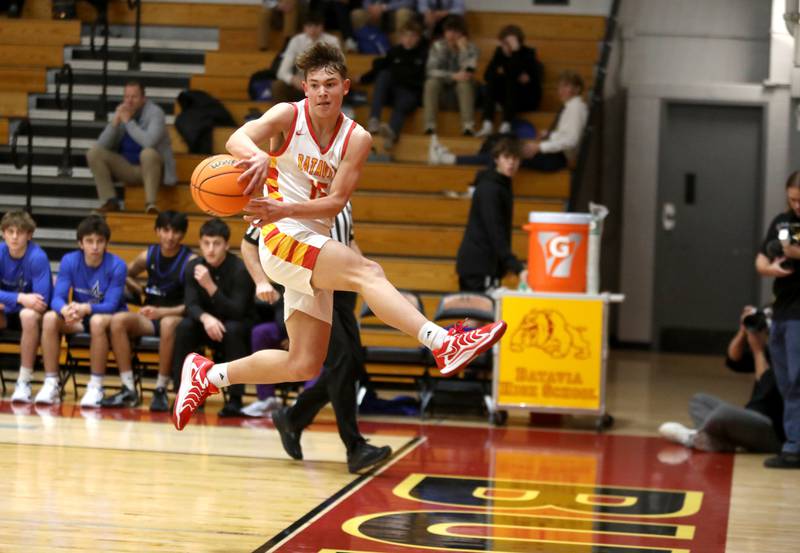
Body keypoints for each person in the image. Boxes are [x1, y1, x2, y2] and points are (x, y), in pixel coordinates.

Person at [172, 42, 507, 431]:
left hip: (309, 236)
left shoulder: (356, 138)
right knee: (369, 272)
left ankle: (208, 375)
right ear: (304, 87)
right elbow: (237, 139)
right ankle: (443, 343)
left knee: (303, 363)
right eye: (314, 85)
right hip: (280, 238)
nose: (322, 93)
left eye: (330, 84)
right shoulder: (287, 115)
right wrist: (257, 155)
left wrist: (287, 209)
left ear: (345, 87)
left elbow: (335, 203)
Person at [253, 203, 393, 473]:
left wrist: (369, 278)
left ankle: (292, 418)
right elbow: (249, 243)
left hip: (344, 289)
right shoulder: (294, 188)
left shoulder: (343, 199)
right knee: (340, 361)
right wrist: (261, 280)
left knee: (351, 364)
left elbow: (349, 241)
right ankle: (354, 447)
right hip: (315, 285)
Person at [659, 305, 784, 453]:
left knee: (724, 413)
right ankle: (716, 441)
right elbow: (734, 361)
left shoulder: (790, 356)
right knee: (699, 401)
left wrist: (758, 351)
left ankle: (693, 437)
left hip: (773, 432)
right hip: (751, 420)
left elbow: (767, 386)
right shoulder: (770, 351)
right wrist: (743, 331)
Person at [101, 211, 194, 411]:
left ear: (183, 234)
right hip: (150, 318)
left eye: (176, 232)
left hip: (176, 316)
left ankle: (160, 388)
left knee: (167, 324)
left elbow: (192, 305)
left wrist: (162, 313)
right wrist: (140, 290)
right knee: (118, 321)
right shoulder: (148, 255)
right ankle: (128, 387)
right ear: (157, 231)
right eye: (165, 230)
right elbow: (123, 273)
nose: (170, 236)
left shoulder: (190, 261)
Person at [34, 215, 128, 406]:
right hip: (80, 316)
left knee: (96, 321)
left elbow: (111, 305)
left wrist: (86, 308)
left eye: (100, 241)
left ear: (106, 243)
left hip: (109, 318)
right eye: (89, 241)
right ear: (80, 243)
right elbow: (57, 297)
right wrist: (65, 309)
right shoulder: (70, 261)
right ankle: (52, 383)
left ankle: (96, 386)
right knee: (50, 318)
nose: (95, 246)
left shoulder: (117, 265)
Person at [171, 218, 256, 417]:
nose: (210, 249)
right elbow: (191, 304)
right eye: (206, 243)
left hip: (236, 324)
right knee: (184, 327)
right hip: (207, 324)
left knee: (234, 329)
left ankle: (235, 399)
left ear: (226, 245)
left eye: (216, 244)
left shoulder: (241, 269)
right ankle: (184, 394)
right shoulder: (193, 267)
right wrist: (206, 318)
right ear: (200, 244)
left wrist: (210, 287)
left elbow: (237, 311)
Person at [430, 70, 588, 172]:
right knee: (502, 143)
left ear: (577, 89)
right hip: (553, 153)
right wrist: (550, 135)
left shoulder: (576, 107)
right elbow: (566, 135)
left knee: (504, 153)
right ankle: (459, 159)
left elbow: (571, 141)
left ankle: (450, 159)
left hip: (556, 159)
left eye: (566, 86)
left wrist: (540, 147)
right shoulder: (571, 107)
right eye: (560, 86)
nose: (561, 90)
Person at [755, 171, 800, 468]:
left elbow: (789, 249)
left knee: (798, 380)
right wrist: (772, 268)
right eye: (793, 199)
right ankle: (791, 440)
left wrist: (789, 250)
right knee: (784, 381)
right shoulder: (782, 222)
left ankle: (795, 446)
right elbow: (761, 259)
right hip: (781, 309)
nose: (797, 205)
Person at [86, 81, 175, 214]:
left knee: (148, 153)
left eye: (134, 97)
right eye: (126, 97)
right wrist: (114, 123)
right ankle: (110, 201)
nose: (129, 101)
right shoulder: (123, 112)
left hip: (152, 169)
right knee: (94, 153)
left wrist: (128, 122)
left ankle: (150, 203)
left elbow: (149, 142)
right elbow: (102, 145)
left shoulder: (156, 113)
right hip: (127, 167)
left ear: (143, 98)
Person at [455, 138, 527, 293]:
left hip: (483, 265)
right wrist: (516, 266)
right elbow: (494, 230)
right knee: (480, 309)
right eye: (506, 157)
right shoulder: (490, 188)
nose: (511, 163)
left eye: (515, 158)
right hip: (479, 266)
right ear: (496, 159)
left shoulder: (502, 185)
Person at [0, 211, 52, 403]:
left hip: (32, 316)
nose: (14, 237)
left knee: (28, 315)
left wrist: (9, 301)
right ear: (3, 233)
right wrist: (20, 297)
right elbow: (26, 299)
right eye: (10, 231)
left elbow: (41, 302)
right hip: (7, 311)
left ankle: (24, 380)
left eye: (20, 232)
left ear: (29, 235)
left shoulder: (37, 257)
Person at [359, 19, 427, 150]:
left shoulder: (423, 54)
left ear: (418, 38)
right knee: (384, 74)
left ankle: (392, 134)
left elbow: (419, 79)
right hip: (392, 91)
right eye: (406, 35)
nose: (409, 39)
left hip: (410, 93)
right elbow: (379, 68)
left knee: (402, 102)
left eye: (413, 36)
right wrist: (362, 79)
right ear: (401, 37)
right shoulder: (395, 51)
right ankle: (374, 119)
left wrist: (399, 75)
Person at [476, 24, 542, 138]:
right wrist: (508, 70)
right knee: (493, 81)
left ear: (518, 43)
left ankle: (506, 124)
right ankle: (487, 124)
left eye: (511, 43)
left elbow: (521, 77)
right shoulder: (499, 52)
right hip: (506, 97)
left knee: (511, 80)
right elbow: (487, 76)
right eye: (505, 43)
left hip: (526, 97)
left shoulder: (528, 53)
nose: (507, 46)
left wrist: (515, 53)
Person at [422, 14, 479, 136]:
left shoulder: (471, 48)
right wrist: (452, 76)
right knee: (431, 83)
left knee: (464, 83)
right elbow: (430, 70)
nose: (451, 35)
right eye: (449, 31)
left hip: (463, 92)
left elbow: (469, 71)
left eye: (456, 31)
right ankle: (430, 126)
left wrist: (463, 50)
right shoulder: (438, 46)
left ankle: (468, 126)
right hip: (442, 90)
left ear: (463, 33)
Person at [273, 11, 341, 103]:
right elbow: (282, 71)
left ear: (322, 26)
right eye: (309, 26)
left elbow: (338, 69)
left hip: (324, 84)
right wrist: (293, 79)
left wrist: (319, 83)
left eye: (316, 26)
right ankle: (286, 112)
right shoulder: (296, 41)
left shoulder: (332, 41)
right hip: (301, 84)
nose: (313, 30)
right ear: (304, 27)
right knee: (278, 86)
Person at [350, 0, 415, 36]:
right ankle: (364, 45)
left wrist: (384, 7)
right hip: (375, 10)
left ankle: (401, 47)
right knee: (357, 14)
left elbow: (409, 2)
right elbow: (366, 2)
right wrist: (370, 8)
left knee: (403, 13)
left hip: (394, 11)